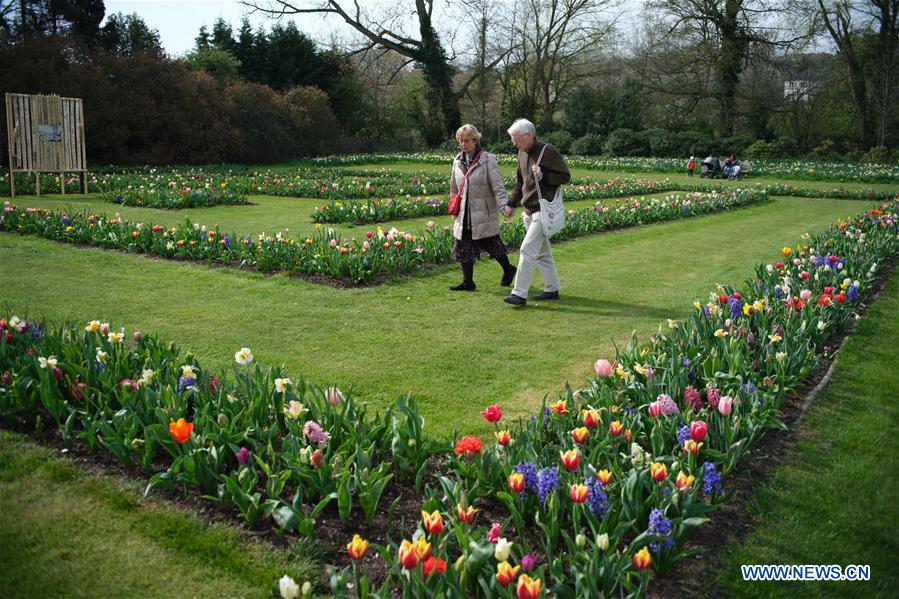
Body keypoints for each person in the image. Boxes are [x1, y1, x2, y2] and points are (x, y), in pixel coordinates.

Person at [502, 118, 571, 307]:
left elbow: (565, 176)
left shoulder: (548, 151)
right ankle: (552, 289)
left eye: (517, 139)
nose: (514, 143)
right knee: (542, 253)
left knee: (527, 249)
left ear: (529, 136)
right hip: (529, 210)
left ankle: (519, 294)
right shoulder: (522, 153)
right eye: (513, 140)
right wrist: (511, 203)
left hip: (543, 210)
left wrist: (544, 176)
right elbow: (520, 183)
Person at [448, 124, 517, 291]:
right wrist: (453, 206)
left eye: (466, 141)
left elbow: (498, 186)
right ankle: (468, 282)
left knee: (491, 243)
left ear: (475, 140)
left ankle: (508, 269)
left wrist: (504, 206)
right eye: (460, 141)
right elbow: (454, 187)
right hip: (464, 213)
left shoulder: (487, 159)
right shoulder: (457, 161)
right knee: (464, 245)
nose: (463, 144)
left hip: (483, 212)